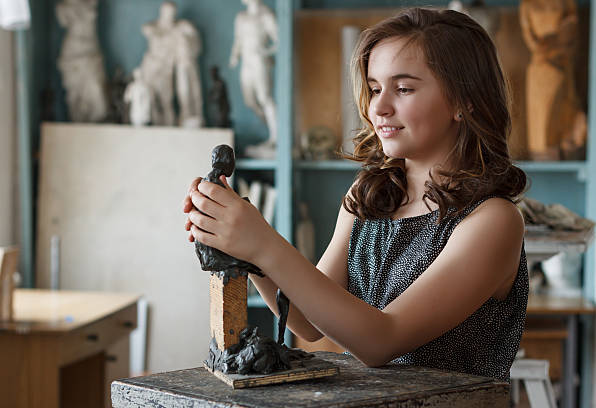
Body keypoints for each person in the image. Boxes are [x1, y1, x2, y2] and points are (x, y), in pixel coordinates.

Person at [183, 7, 528, 382]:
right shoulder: (371, 195)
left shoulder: (493, 220)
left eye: (404, 88)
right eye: (376, 88)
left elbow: (382, 340)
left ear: (465, 100)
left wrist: (262, 244)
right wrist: (244, 247)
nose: (378, 107)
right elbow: (304, 320)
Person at [229, 0, 278, 154]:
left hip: (259, 61)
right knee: (250, 100)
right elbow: (238, 39)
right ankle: (273, 126)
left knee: (264, 98)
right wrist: (235, 55)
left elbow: (279, 40)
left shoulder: (266, 16)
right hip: (246, 60)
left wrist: (265, 52)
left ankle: (276, 137)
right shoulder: (241, 17)